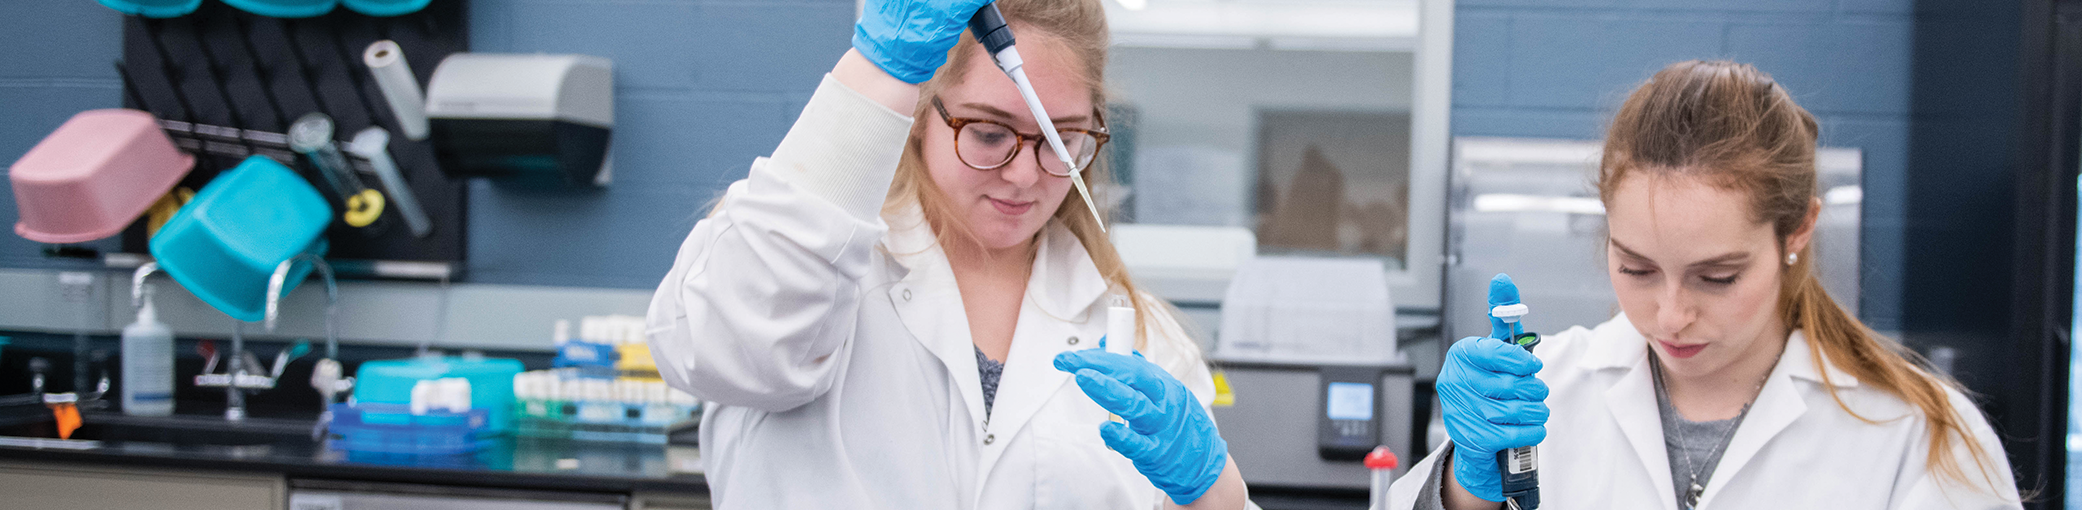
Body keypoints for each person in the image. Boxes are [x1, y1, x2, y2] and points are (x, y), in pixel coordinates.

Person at [642, 0, 1247, 507]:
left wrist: (1215, 492)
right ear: (920, 116)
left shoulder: (1151, 341)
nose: (1024, 176)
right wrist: (875, 75)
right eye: (988, 133)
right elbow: (713, 348)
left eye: (1062, 140)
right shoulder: (808, 264)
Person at [1387, 60, 2023, 510]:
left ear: (1798, 229)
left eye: (1717, 277)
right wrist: (1462, 493)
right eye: (1635, 268)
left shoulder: (1920, 435)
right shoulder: (1546, 388)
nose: (1669, 316)